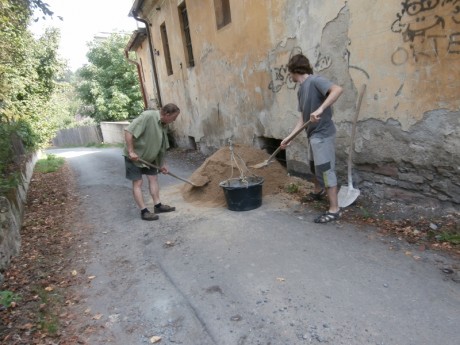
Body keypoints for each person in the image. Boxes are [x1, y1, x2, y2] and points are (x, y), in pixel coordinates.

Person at [280, 54, 343, 224]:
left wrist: (321, 109)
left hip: (323, 134)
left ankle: (334, 209)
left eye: (289, 72)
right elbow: (303, 119)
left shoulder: (315, 81)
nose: (290, 76)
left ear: (294, 70)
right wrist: (289, 138)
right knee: (314, 167)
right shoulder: (301, 90)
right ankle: (318, 191)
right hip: (313, 135)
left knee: (325, 169)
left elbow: (337, 89)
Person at [123, 103, 180, 221]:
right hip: (135, 156)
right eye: (174, 117)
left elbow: (162, 145)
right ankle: (144, 211)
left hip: (151, 156)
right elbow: (129, 131)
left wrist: (162, 163)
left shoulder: (164, 124)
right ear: (167, 114)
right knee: (138, 182)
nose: (174, 120)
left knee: (153, 178)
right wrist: (131, 151)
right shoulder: (148, 116)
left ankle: (158, 205)